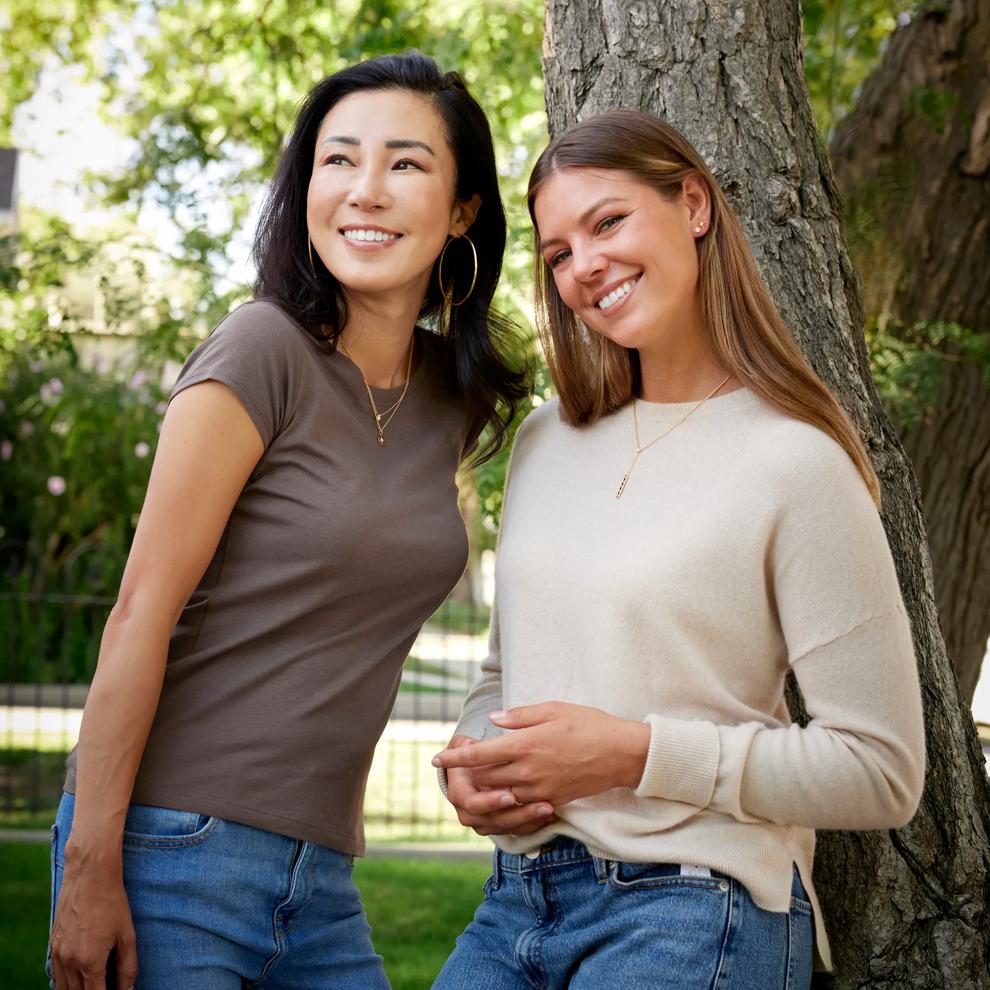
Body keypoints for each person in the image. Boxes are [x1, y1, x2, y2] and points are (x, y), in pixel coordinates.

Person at [47, 51, 526, 990]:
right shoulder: (261, 348)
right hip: (168, 845)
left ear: (463, 209)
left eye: (406, 163)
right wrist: (89, 864)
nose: (366, 190)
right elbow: (141, 611)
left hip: (321, 878)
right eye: (338, 160)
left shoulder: (451, 395)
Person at [430, 109, 925, 988]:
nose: (585, 266)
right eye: (558, 253)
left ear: (693, 204)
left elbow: (880, 770)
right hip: (517, 901)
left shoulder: (797, 461)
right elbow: (504, 678)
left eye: (608, 222)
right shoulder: (546, 442)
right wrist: (477, 765)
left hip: (699, 904)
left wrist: (636, 754)